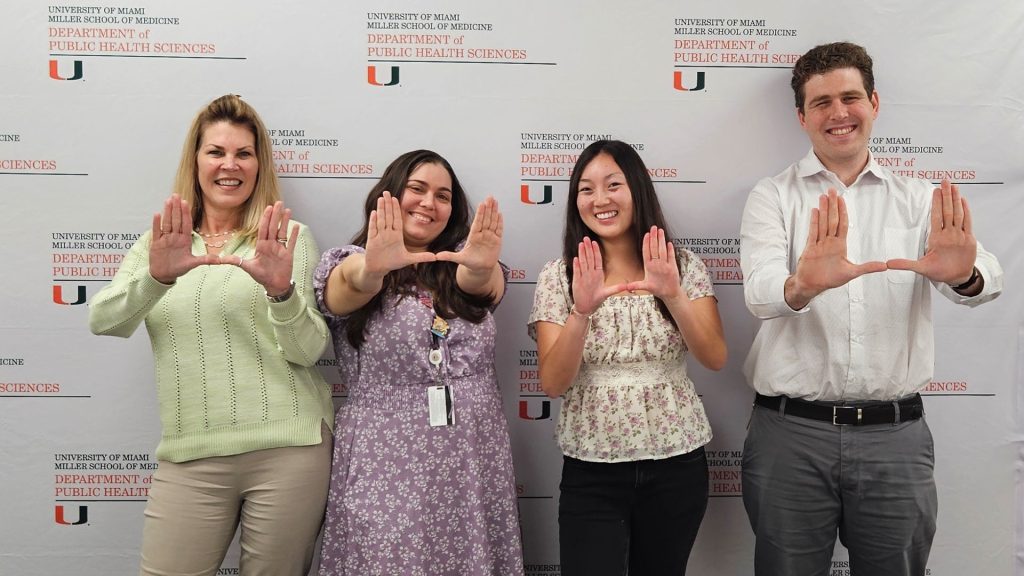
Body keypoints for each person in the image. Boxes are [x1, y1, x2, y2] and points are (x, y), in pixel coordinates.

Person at [740, 42, 1003, 576]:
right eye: (821, 102)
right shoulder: (772, 196)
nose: (838, 113)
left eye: (850, 97)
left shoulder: (921, 198)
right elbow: (760, 291)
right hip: (791, 437)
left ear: (874, 103)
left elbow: (987, 279)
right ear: (802, 116)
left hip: (895, 438)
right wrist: (802, 285)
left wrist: (963, 274)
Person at [88, 94, 333, 576]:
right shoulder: (161, 243)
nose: (230, 165)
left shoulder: (288, 238)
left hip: (288, 451)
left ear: (259, 165)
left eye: (244, 153)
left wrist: (281, 292)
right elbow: (105, 321)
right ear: (196, 161)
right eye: (216, 152)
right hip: (191, 454)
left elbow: (309, 351)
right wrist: (157, 278)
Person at [313, 149, 524, 575]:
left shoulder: (464, 259)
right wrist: (373, 269)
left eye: (443, 196)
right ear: (391, 194)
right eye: (417, 189)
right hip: (386, 462)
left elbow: (481, 285)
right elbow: (346, 287)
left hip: (471, 457)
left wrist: (479, 268)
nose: (429, 202)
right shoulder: (349, 261)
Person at [528, 139, 727, 576]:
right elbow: (553, 383)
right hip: (592, 469)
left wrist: (672, 294)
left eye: (613, 185)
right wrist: (582, 311)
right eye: (586, 189)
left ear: (637, 189)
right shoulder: (558, 276)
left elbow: (714, 356)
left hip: (677, 463)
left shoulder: (683, 266)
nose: (600, 199)